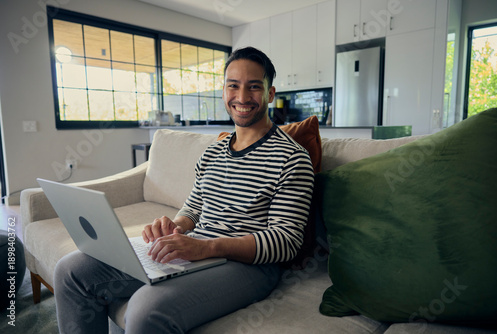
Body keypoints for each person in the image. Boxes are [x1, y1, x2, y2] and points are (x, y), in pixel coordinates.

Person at [54, 46, 315, 333]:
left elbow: (286, 241)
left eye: (254, 87)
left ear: (270, 94)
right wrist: (174, 225)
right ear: (224, 91)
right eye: (233, 86)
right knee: (71, 270)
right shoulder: (213, 151)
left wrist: (207, 247)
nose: (242, 97)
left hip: (248, 266)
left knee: (144, 310)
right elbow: (193, 207)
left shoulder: (292, 158)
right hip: (196, 248)